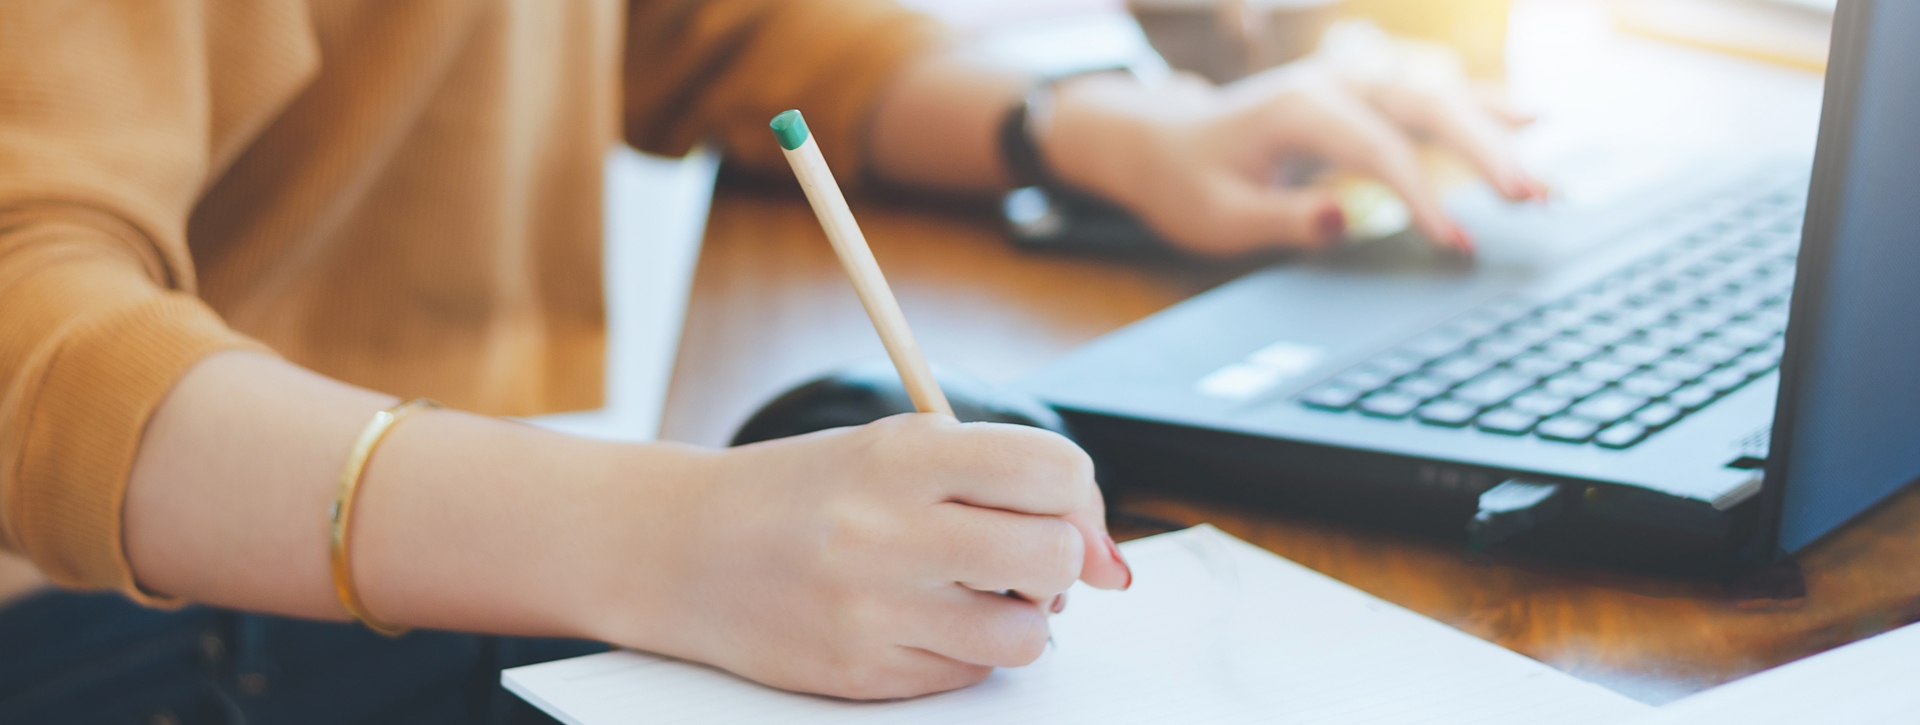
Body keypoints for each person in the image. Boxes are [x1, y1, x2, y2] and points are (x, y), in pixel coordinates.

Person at [0, 0, 1537, 721]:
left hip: (413, 522)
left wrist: (1083, 127)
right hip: (124, 610)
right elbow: (26, 324)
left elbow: (693, 24)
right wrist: (659, 536)